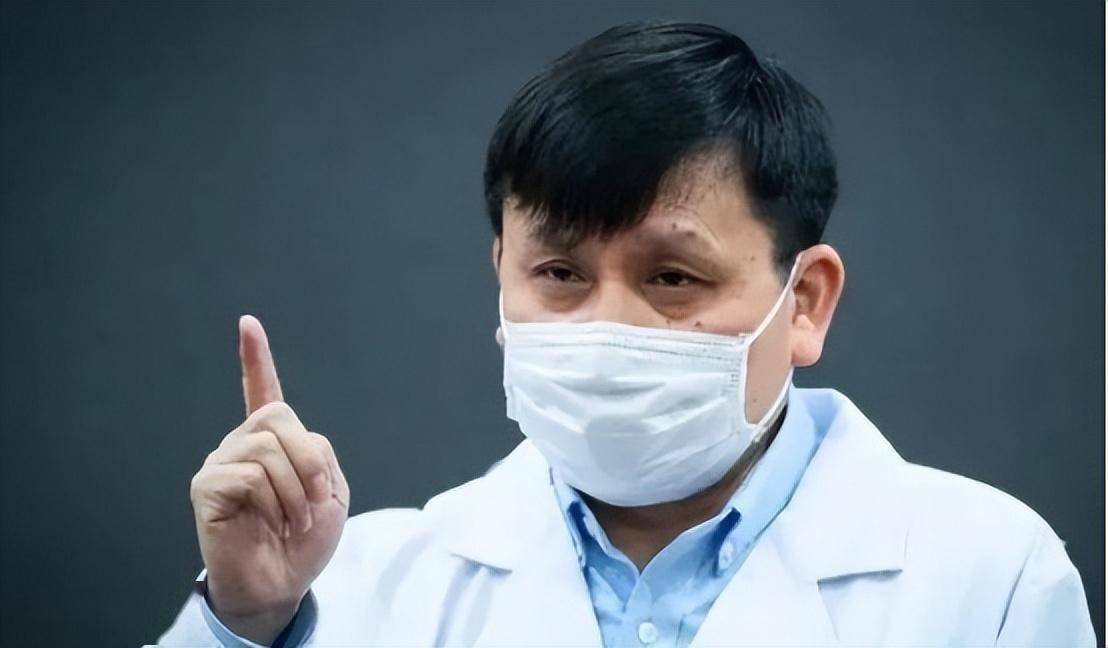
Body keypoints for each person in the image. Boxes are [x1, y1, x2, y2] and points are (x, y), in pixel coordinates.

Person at [155, 20, 1096, 647]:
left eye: (672, 277)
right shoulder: (356, 589)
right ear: (500, 274)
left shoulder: (988, 580)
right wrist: (245, 620)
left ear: (805, 301)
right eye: (559, 274)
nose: (607, 324)